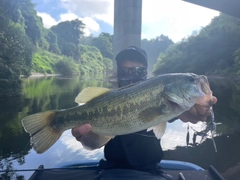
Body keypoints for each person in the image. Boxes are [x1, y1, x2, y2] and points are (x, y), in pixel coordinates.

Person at [72, 46, 218, 180]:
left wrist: (199, 111)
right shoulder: (104, 99)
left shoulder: (165, 101)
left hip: (151, 171)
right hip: (111, 169)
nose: (130, 74)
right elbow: (94, 141)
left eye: (137, 70)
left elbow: (187, 114)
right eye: (124, 70)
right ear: (117, 72)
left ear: (145, 72)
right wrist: (90, 137)